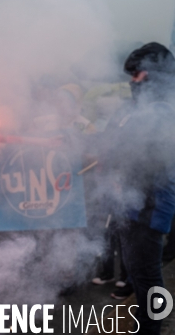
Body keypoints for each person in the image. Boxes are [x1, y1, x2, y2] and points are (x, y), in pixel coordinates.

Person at [104, 42, 175, 334]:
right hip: (134, 205)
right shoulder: (143, 111)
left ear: (153, 75)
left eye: (138, 74)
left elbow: (147, 157)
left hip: (150, 207)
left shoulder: (161, 112)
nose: (132, 82)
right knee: (138, 273)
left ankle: (150, 329)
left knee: (147, 277)